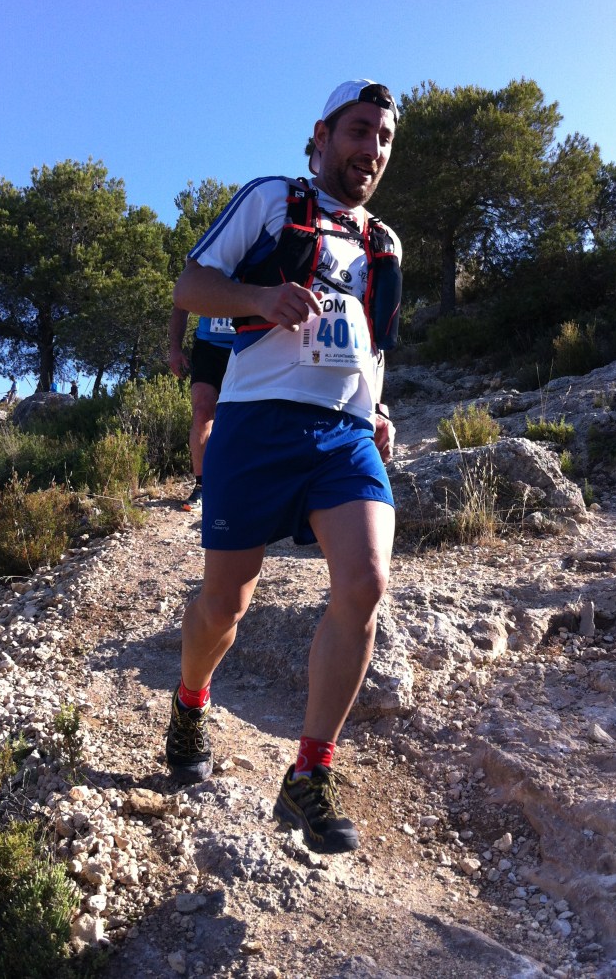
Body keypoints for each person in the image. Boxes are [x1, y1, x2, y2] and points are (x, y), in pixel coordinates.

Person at [165, 79, 402, 855]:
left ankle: (307, 775)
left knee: (365, 582)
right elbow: (191, 285)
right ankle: (191, 703)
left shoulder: (386, 245)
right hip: (254, 426)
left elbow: (373, 344)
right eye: (359, 131)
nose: (371, 149)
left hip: (343, 433)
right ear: (324, 134)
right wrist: (262, 298)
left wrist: (378, 407)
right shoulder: (272, 199)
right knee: (225, 606)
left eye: (384, 138)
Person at [169, 309, 235, 511]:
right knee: (201, 413)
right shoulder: (207, 274)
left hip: (250, 344)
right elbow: (181, 304)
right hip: (209, 347)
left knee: (249, 416)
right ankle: (202, 486)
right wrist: (175, 348)